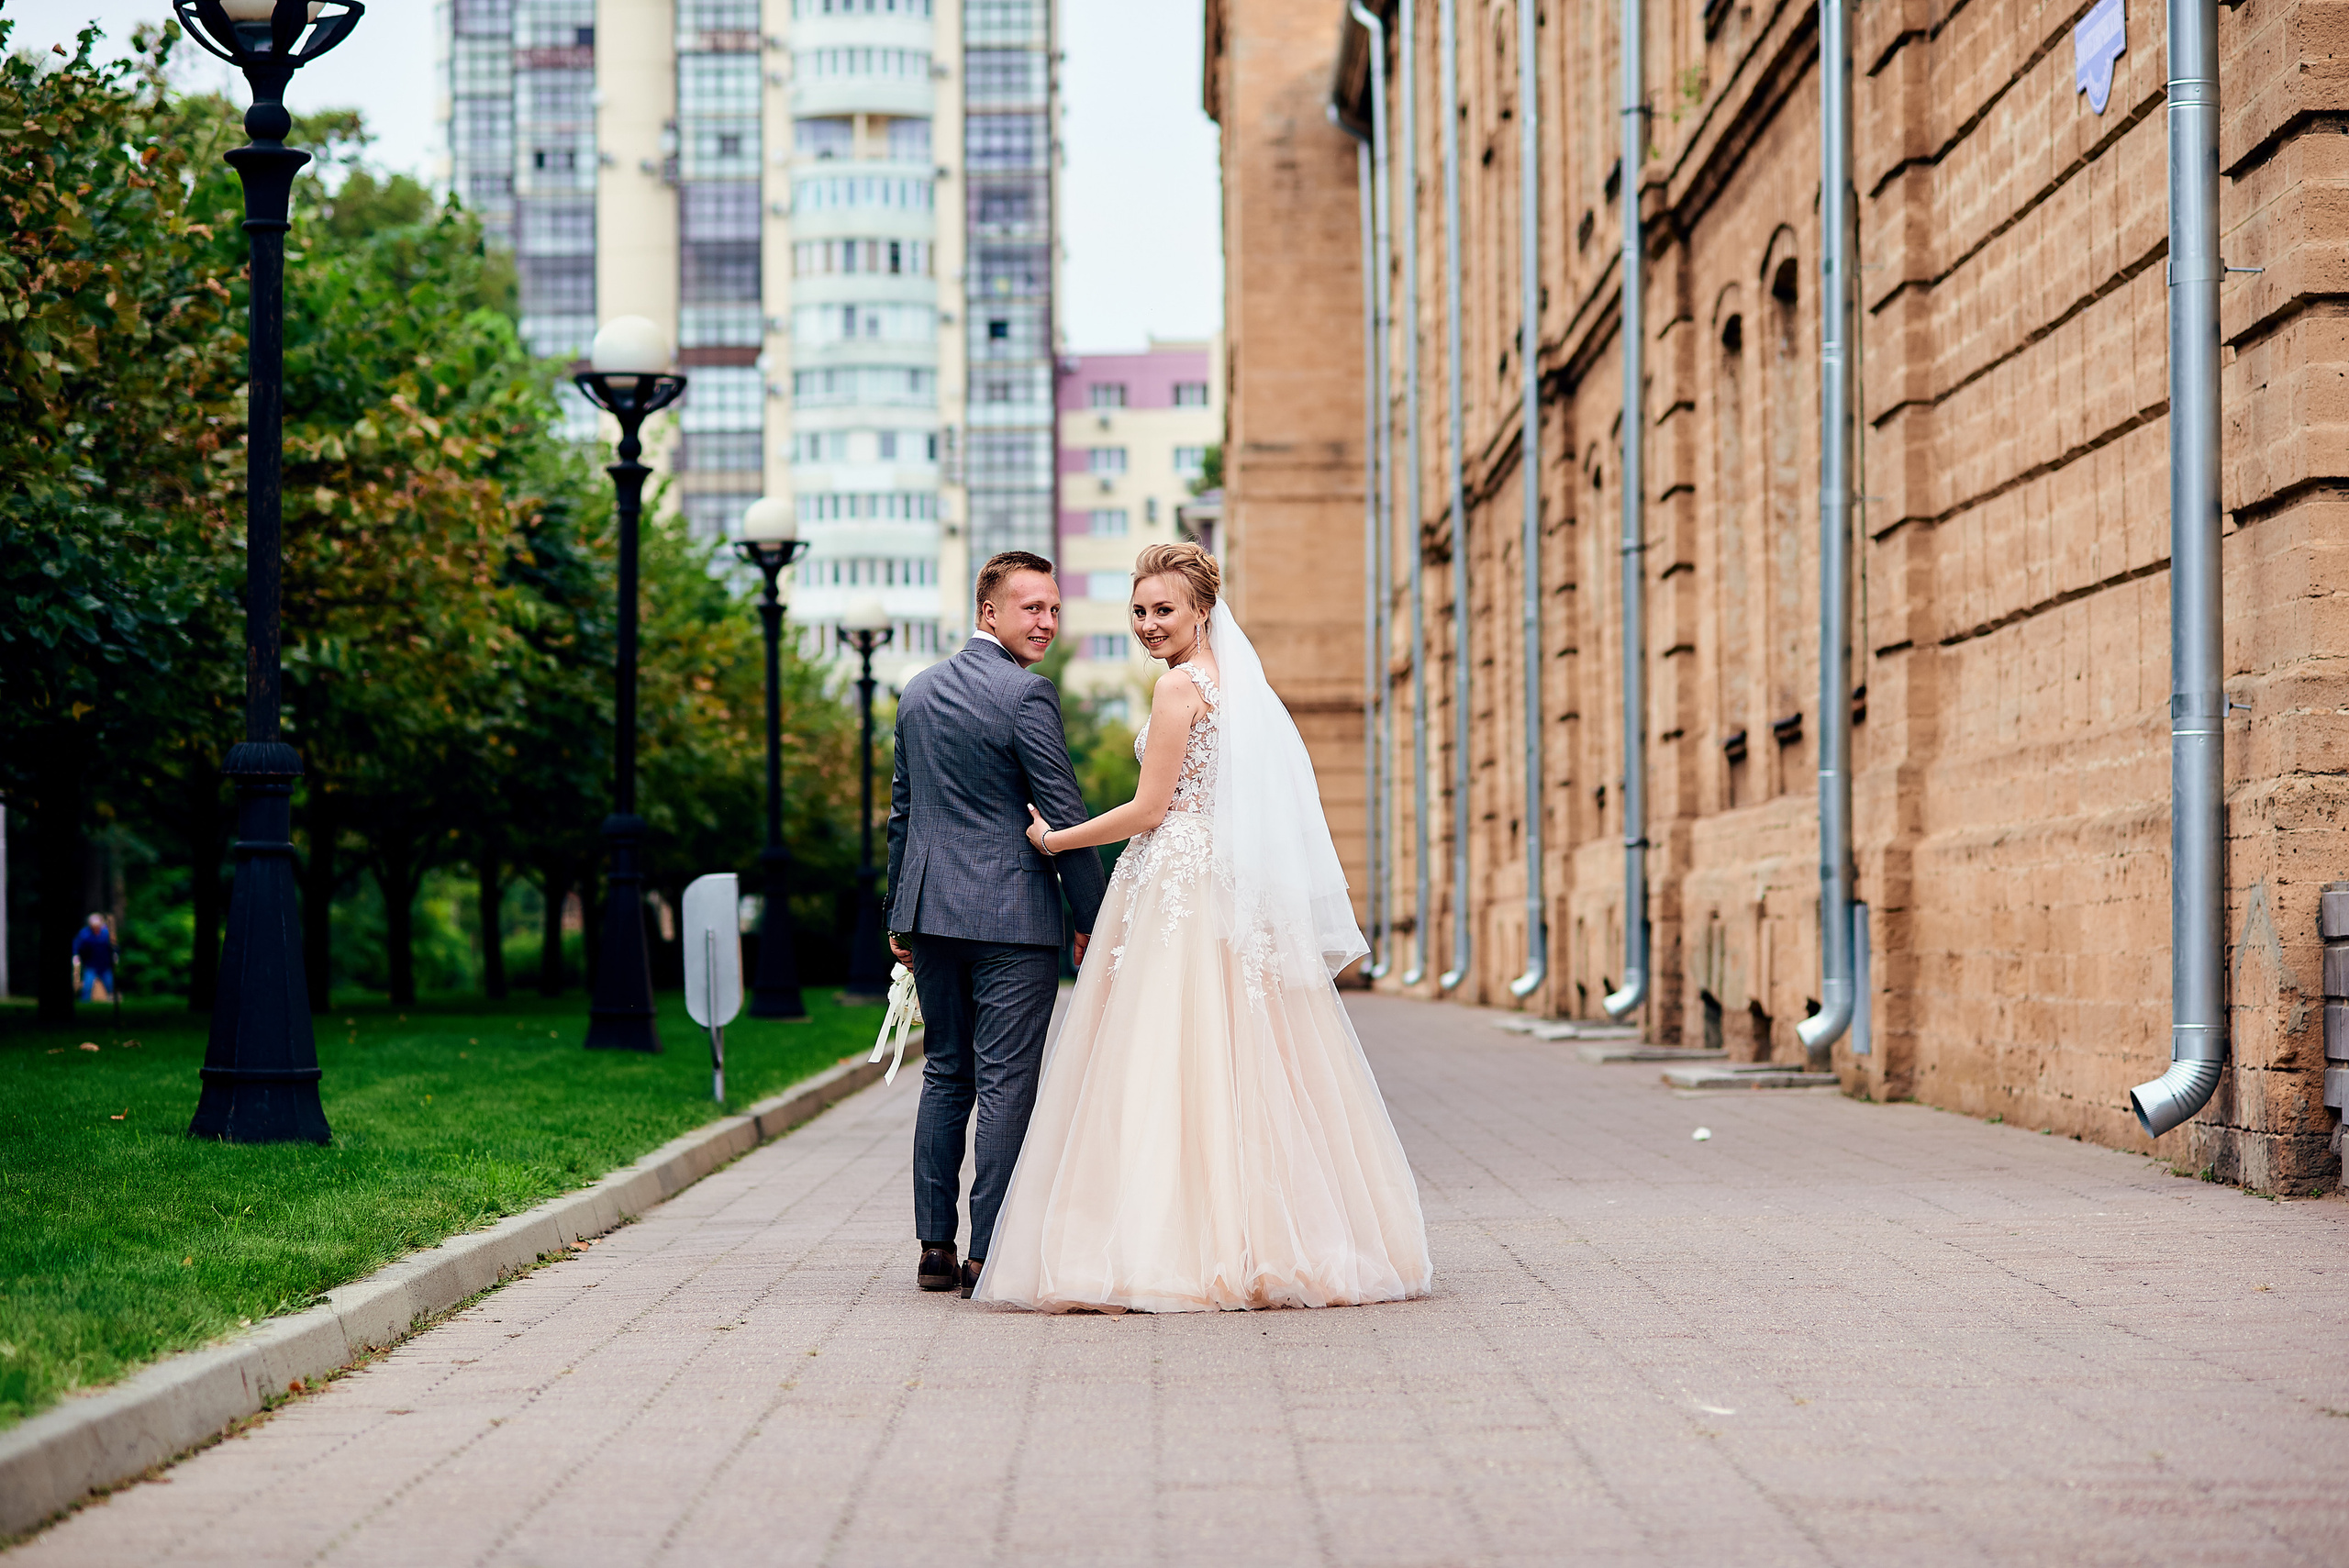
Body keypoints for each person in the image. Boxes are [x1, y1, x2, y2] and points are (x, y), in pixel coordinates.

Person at [976, 543, 1432, 1312]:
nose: (1149, 624)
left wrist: (1055, 839)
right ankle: (1261, 1235)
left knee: (1162, 1053)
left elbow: (1149, 809)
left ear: (1202, 611)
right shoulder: (1237, 687)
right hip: (1225, 880)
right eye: (1139, 611)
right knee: (1239, 1057)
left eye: (1164, 610)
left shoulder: (1178, 688)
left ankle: (1170, 1243)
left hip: (1178, 881)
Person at [885, 550, 1110, 1298]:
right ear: (989, 611)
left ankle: (934, 1246)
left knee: (946, 1072)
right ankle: (987, 1253)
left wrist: (899, 913)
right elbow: (1064, 813)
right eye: (1031, 608)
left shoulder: (918, 692)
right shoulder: (1026, 694)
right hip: (1013, 918)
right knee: (1007, 1081)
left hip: (932, 915)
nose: (1047, 622)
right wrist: (1094, 917)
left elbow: (903, 813)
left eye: (1054, 609)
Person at [73, 914, 117, 1003]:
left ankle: (113, 1003)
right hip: (90, 965)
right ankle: (85, 1003)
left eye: (97, 926)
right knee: (87, 987)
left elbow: (114, 946)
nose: (95, 928)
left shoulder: (106, 933)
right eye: (93, 926)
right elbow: (76, 946)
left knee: (110, 985)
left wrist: (115, 954)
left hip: (105, 965)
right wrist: (75, 955)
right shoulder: (84, 934)